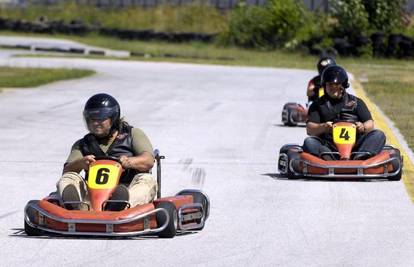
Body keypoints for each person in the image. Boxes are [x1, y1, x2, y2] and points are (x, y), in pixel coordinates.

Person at [56, 93, 157, 210]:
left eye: (101, 119)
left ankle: (120, 203)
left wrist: (129, 162)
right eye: (92, 119)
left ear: (113, 118)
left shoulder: (132, 134)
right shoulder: (83, 144)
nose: (95, 123)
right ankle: (74, 205)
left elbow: (149, 161)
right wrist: (81, 163)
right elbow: (67, 171)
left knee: (147, 179)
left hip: (128, 189)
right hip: (93, 197)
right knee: (69, 177)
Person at [303, 65, 386, 160]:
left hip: (356, 146)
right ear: (324, 86)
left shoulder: (356, 102)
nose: (334, 88)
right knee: (309, 142)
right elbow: (310, 129)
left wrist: (362, 127)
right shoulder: (317, 105)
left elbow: (370, 123)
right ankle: (328, 158)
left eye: (337, 84)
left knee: (379, 134)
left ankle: (360, 156)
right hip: (329, 146)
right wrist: (323, 127)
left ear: (344, 85)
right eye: (330, 84)